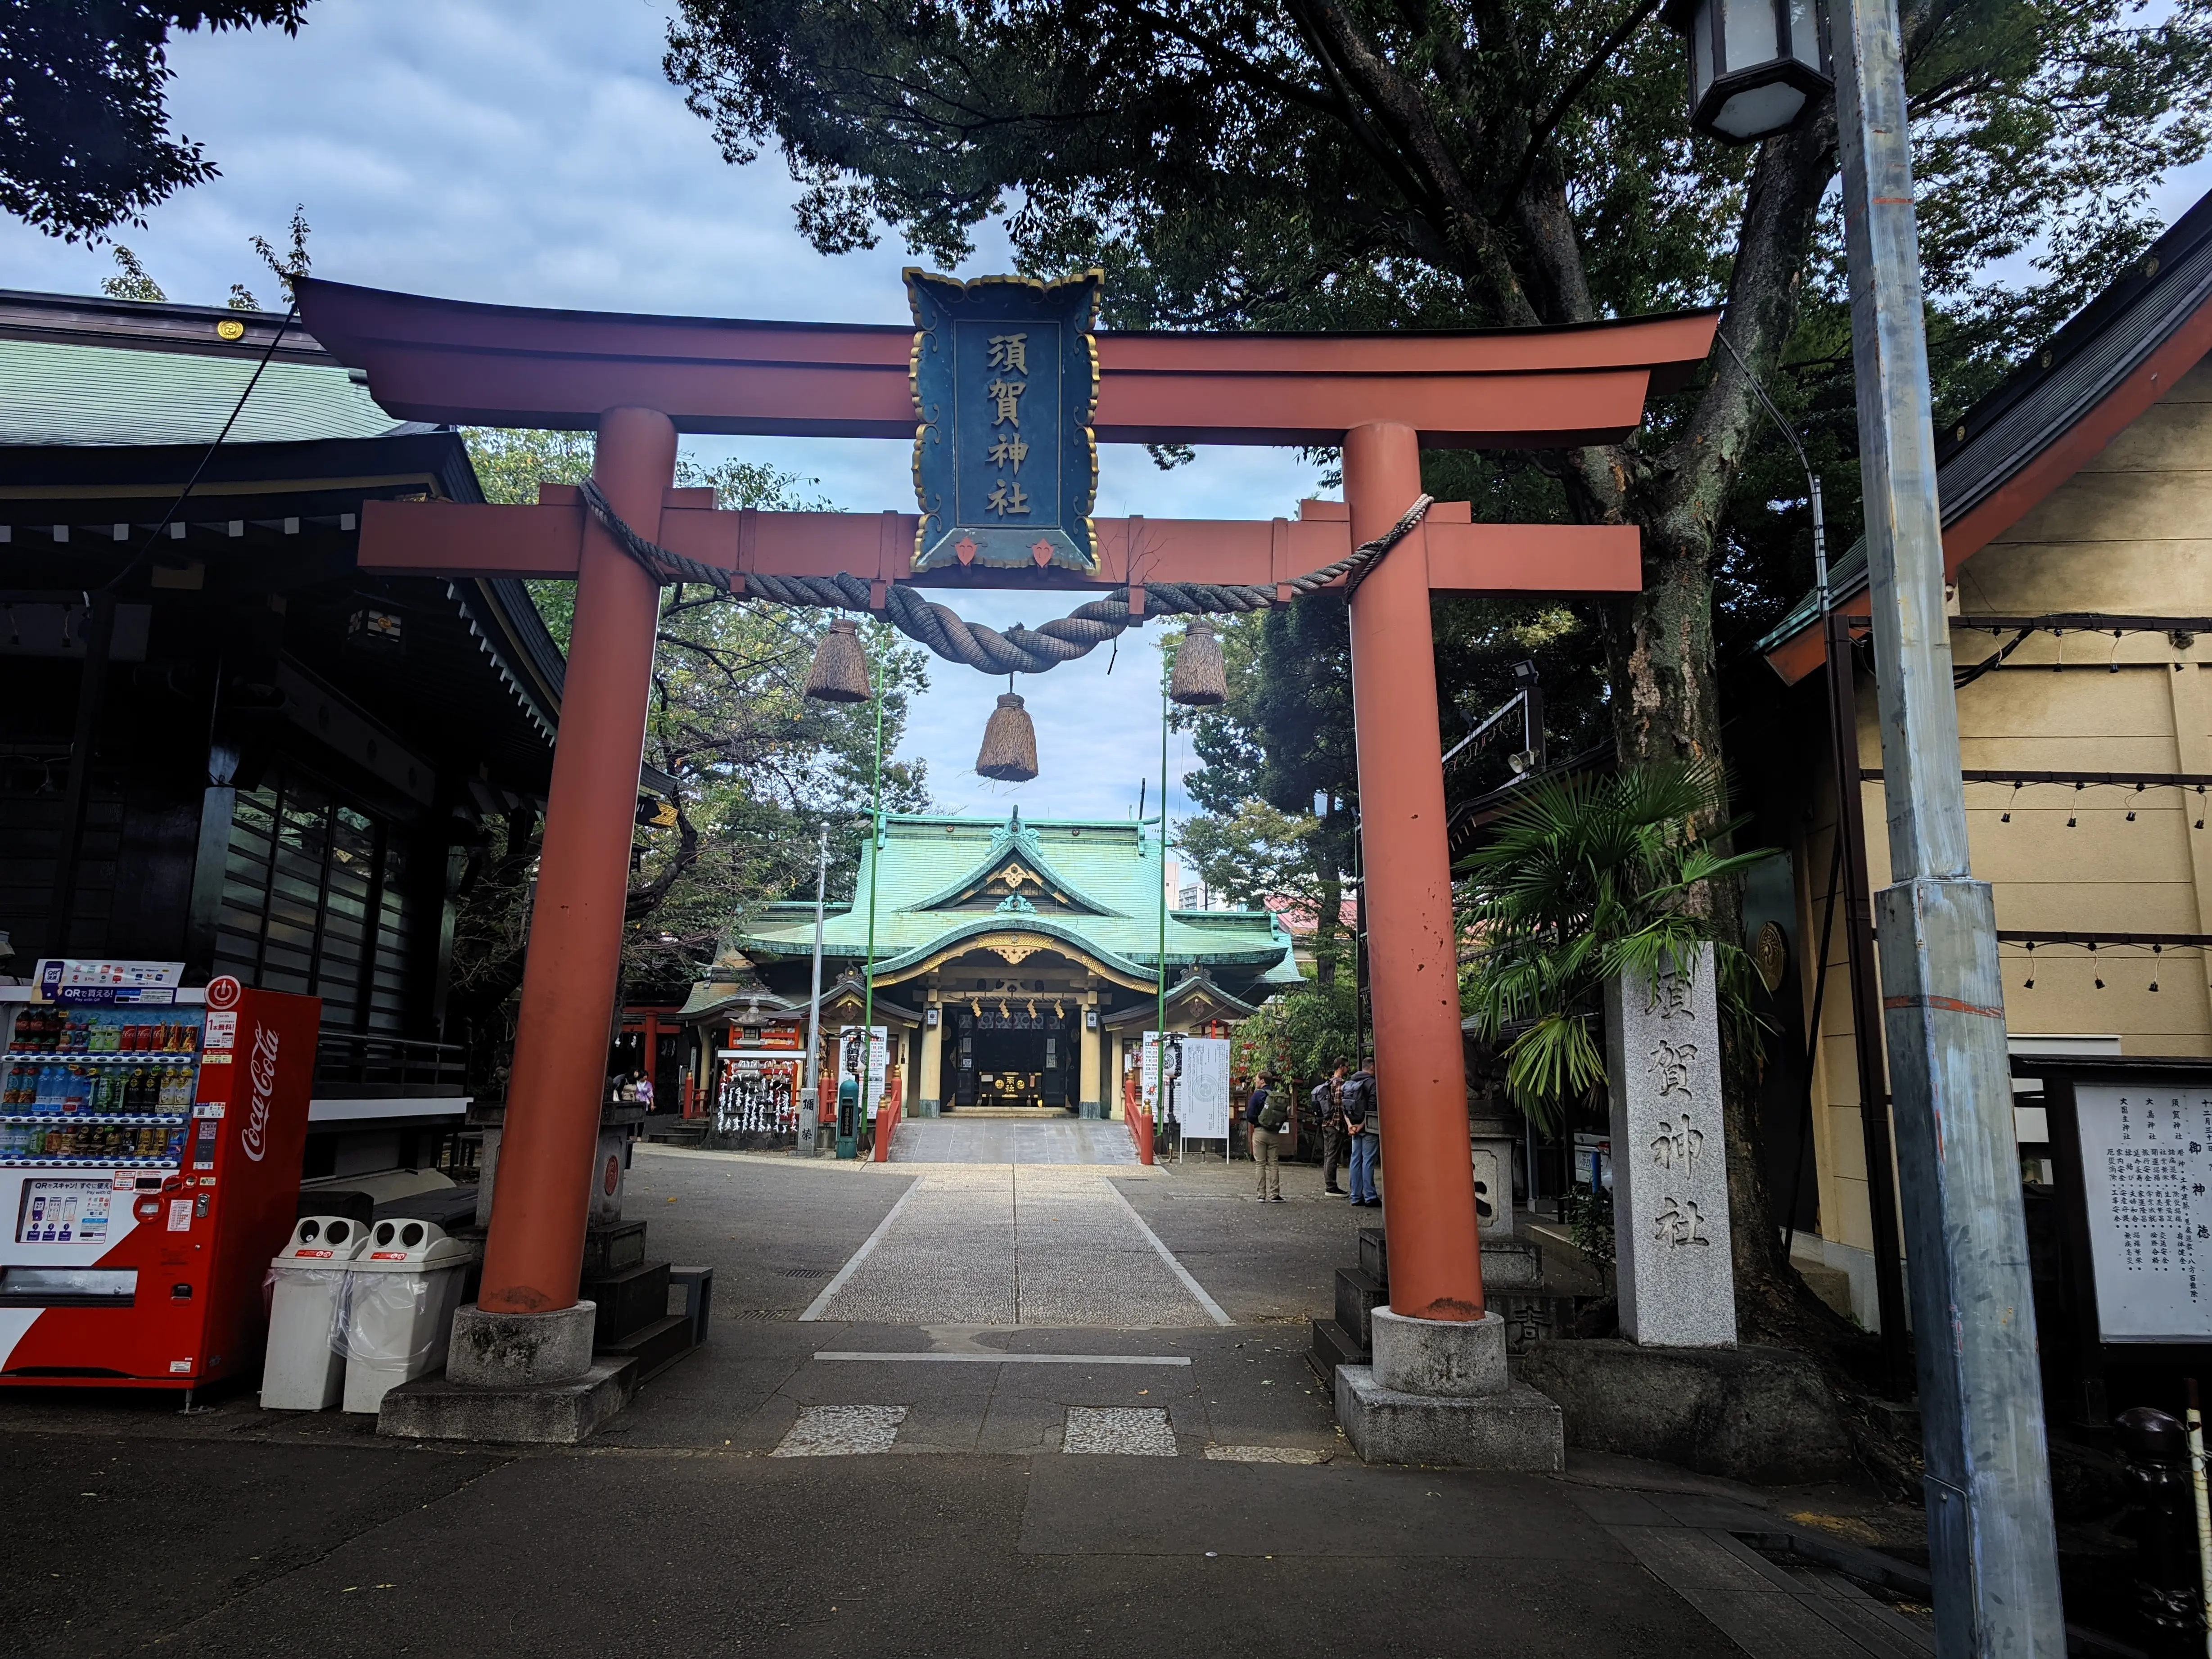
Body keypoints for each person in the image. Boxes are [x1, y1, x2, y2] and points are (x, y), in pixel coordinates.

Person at [1245, 1072, 1290, 1200]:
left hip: (1260, 1132)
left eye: (1257, 1079)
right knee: (1274, 1164)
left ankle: (1261, 1195)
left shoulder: (1258, 1095)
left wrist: (1258, 1123)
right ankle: (1275, 1195)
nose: (1256, 1081)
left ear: (1263, 1081)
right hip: (1274, 1133)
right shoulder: (1276, 1097)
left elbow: (1250, 1115)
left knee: (1260, 1164)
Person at [1343, 1063, 1380, 1208]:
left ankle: (1356, 1196)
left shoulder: (1349, 1083)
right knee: (1368, 1161)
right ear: (1372, 1067)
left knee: (1355, 1160)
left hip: (1353, 1127)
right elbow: (1373, 1109)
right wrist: (1362, 1126)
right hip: (1368, 1128)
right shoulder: (1372, 1084)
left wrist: (1350, 1126)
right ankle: (1370, 1196)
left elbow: (1344, 1107)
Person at [1311, 1060, 1349, 1195]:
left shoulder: (1329, 1082)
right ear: (1341, 1067)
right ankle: (1331, 1187)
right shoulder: (1339, 1083)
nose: (1348, 1068)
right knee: (1333, 1156)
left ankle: (1330, 1185)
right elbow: (1340, 1105)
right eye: (1347, 1066)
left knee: (1328, 1155)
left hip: (1325, 1123)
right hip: (1335, 1124)